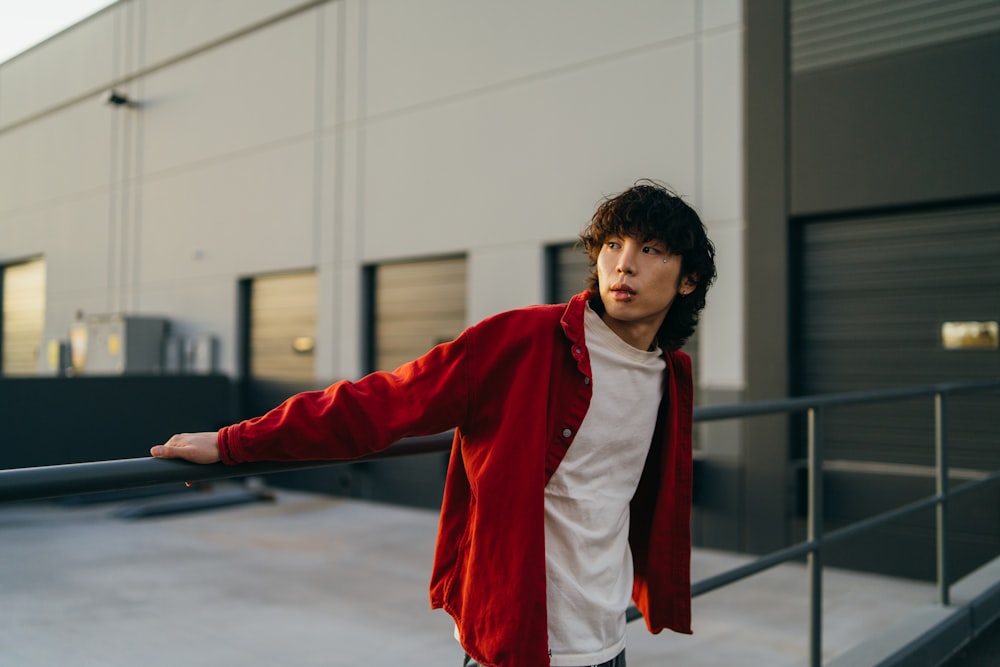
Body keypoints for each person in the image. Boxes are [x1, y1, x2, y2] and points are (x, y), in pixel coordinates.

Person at [151, 180, 717, 667]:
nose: (624, 263)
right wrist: (233, 442)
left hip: (607, 637)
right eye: (613, 245)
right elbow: (381, 403)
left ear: (687, 281)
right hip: (514, 641)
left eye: (652, 249)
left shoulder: (669, 376)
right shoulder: (519, 342)